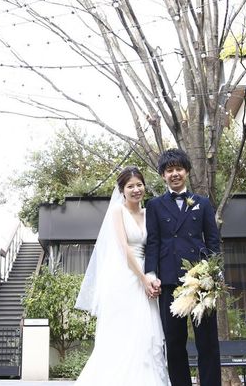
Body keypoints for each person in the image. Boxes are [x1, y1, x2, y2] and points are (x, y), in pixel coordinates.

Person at [74, 166, 170, 386]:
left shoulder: (148, 213)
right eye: (130, 186)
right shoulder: (117, 211)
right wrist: (143, 279)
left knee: (145, 333)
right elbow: (124, 248)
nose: (136, 190)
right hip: (124, 277)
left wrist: (151, 276)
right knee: (122, 333)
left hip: (146, 274)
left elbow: (154, 245)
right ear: (122, 190)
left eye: (139, 185)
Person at [145, 148, 221, 386]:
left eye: (179, 169)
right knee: (174, 342)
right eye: (169, 170)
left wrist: (213, 271)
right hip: (169, 279)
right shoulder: (154, 205)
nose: (175, 174)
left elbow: (213, 240)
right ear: (163, 175)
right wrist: (151, 273)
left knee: (207, 341)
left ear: (186, 171)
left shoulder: (202, 203)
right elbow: (153, 242)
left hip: (201, 280)